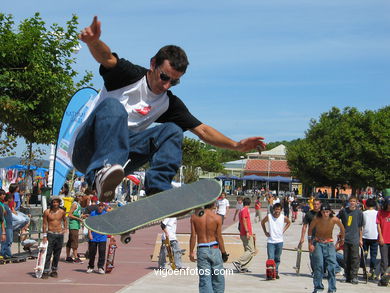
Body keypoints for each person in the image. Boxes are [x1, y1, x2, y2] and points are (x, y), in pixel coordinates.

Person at [74, 16, 266, 202]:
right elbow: (106, 58)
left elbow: (203, 130)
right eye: (164, 77)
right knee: (114, 108)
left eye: (174, 82)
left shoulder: (168, 103)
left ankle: (157, 187)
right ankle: (100, 173)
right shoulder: (128, 75)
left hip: (123, 158)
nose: (166, 85)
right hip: (87, 149)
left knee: (172, 130)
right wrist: (93, 42)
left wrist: (235, 146)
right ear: (153, 64)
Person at [190, 202, 228, 293]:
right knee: (218, 278)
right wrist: (223, 252)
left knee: (205, 278)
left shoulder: (194, 217)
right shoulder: (217, 218)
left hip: (202, 248)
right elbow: (219, 236)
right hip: (214, 248)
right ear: (214, 204)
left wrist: (191, 251)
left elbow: (193, 236)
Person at [308, 204, 345, 293]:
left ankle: (332, 289)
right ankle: (318, 287)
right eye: (323, 212)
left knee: (331, 266)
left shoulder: (334, 219)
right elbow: (310, 230)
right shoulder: (317, 219)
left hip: (329, 243)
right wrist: (310, 244)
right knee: (319, 266)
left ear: (330, 212)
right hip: (318, 243)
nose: (325, 214)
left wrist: (342, 240)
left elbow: (342, 229)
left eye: (327, 212)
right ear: (321, 212)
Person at [337, 196, 363, 284]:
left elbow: (360, 227)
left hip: (355, 238)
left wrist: (360, 239)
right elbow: (336, 219)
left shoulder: (359, 213)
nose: (352, 203)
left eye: (354, 201)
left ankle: (354, 276)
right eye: (351, 201)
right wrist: (341, 230)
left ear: (357, 202)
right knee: (346, 258)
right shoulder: (344, 211)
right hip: (345, 239)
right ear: (349, 202)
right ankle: (346, 275)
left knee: (355, 258)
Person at [261, 202, 291, 279]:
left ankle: (276, 272)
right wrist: (265, 232)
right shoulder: (269, 216)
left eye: (279, 209)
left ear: (281, 210)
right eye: (276, 209)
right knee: (271, 258)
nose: (277, 211)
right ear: (273, 209)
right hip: (271, 241)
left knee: (277, 258)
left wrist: (283, 230)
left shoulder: (282, 217)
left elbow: (288, 222)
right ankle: (270, 273)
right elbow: (262, 222)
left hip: (279, 241)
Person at [41, 197, 67, 279]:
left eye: (57, 202)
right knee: (48, 253)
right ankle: (45, 271)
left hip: (59, 234)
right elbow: (44, 224)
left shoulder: (62, 212)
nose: (55, 204)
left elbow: (65, 220)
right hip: (50, 234)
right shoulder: (47, 212)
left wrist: (65, 229)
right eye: (54, 202)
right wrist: (44, 236)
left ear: (59, 203)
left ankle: (54, 270)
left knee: (57, 254)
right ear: (51, 203)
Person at [233, 197, 256, 273]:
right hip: (246, 232)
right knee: (251, 250)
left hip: (244, 232)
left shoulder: (241, 210)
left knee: (247, 250)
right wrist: (247, 231)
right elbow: (244, 220)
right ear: (250, 203)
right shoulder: (245, 210)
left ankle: (244, 267)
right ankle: (238, 262)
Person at [87, 202, 108, 274]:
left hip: (102, 237)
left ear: (104, 207)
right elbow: (89, 224)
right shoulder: (93, 213)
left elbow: (109, 225)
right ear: (97, 206)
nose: (100, 207)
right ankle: (90, 266)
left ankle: (100, 267)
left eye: (102, 206)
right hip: (93, 236)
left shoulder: (105, 214)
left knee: (102, 252)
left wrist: (111, 236)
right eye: (99, 206)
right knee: (92, 253)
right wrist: (89, 233)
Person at [362, 198, 379, 280]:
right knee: (373, 255)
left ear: (366, 205)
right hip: (375, 236)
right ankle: (372, 270)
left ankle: (364, 270)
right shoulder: (378, 213)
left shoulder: (364, 213)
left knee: (364, 254)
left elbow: (361, 225)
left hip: (365, 236)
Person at [65, 194, 84, 263]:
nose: (82, 198)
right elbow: (70, 214)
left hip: (76, 225)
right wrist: (78, 219)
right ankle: (75, 257)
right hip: (73, 225)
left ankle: (68, 256)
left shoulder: (78, 205)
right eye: (81, 196)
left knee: (70, 240)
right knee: (75, 241)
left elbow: (77, 214)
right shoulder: (75, 204)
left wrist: (83, 216)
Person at [377, 196, 390, 286]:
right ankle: (383, 278)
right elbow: (378, 225)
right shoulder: (380, 213)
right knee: (384, 260)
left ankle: (388, 277)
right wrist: (381, 237)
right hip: (384, 240)